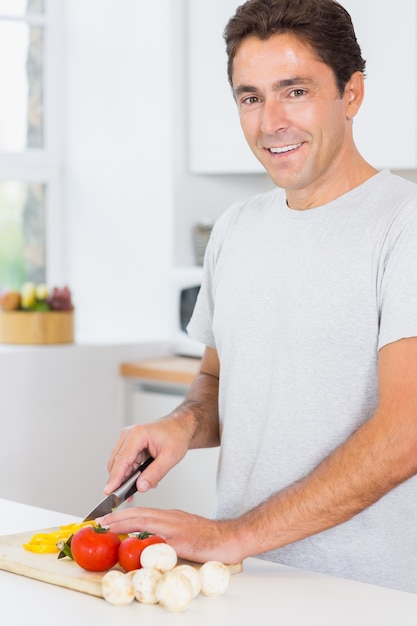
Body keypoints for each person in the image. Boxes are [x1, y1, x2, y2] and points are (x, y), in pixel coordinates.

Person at [98, 0, 417, 594]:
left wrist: (228, 535)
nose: (270, 120)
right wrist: (180, 426)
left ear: (352, 94)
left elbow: (406, 433)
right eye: (250, 97)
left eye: (294, 91)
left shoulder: (404, 225)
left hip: (368, 593)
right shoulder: (236, 228)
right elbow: (218, 386)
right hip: (242, 582)